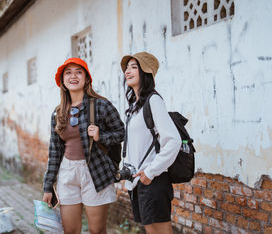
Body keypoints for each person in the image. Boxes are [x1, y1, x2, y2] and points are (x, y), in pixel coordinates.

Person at [43, 58, 125, 234]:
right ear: (62, 81)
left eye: (78, 72)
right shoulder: (57, 113)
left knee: (97, 230)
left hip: (95, 172)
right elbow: (55, 151)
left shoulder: (101, 105)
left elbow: (121, 133)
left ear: (87, 78)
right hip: (67, 173)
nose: (73, 76)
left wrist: (100, 135)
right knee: (70, 230)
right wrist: (48, 186)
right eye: (68, 73)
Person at [120, 52, 181, 234]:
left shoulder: (154, 100)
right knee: (151, 230)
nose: (128, 71)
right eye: (127, 67)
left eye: (134, 67)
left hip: (153, 180)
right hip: (139, 182)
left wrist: (150, 171)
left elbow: (173, 140)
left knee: (162, 231)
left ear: (146, 72)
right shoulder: (134, 106)